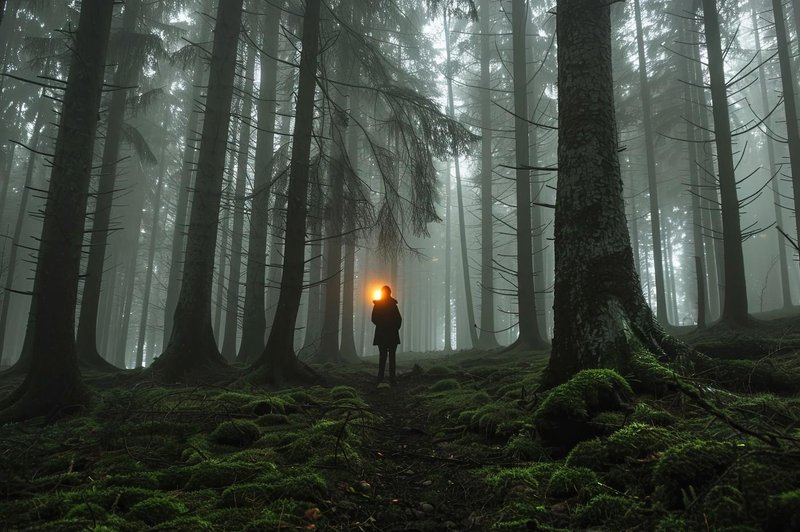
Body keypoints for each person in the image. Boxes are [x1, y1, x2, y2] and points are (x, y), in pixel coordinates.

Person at [371, 285, 402, 385]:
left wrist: (382, 326)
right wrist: (394, 328)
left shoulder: (379, 305)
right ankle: (391, 379)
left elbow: (374, 319)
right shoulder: (393, 305)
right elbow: (399, 320)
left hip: (382, 334)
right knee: (391, 357)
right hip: (391, 335)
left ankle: (381, 378)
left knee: (383, 356)